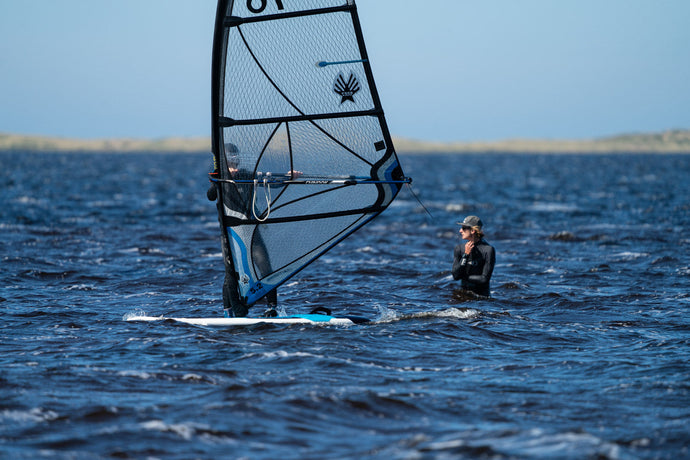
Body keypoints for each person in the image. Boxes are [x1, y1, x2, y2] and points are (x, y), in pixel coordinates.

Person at [207, 152, 279, 318]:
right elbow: (210, 196)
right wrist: (219, 181)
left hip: (251, 231)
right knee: (231, 272)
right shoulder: (219, 179)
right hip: (231, 234)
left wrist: (290, 176)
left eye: (235, 163)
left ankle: (271, 308)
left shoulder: (246, 174)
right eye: (230, 164)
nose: (234, 167)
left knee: (265, 267)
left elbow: (269, 180)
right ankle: (229, 312)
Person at [452, 215, 495, 297]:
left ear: (472, 231)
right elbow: (455, 276)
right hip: (463, 295)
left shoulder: (488, 250)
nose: (460, 231)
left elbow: (484, 279)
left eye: (464, 228)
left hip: (481, 298)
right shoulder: (459, 249)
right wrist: (465, 255)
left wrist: (464, 277)